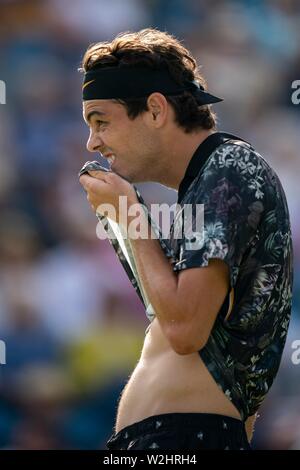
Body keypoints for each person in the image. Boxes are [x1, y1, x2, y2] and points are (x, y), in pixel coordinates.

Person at [78, 28, 293, 450]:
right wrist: (124, 221)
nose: (93, 141)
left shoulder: (229, 165)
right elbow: (170, 312)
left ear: (156, 110)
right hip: (171, 439)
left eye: (101, 121)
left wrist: (129, 214)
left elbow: (183, 330)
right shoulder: (209, 181)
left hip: (182, 439)